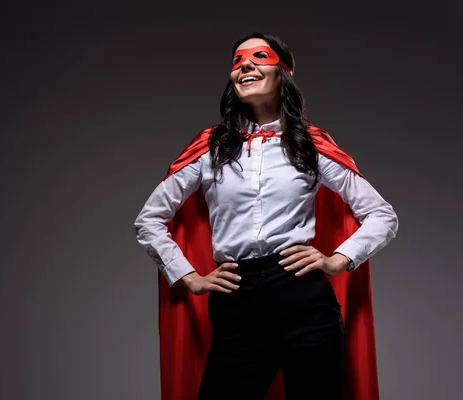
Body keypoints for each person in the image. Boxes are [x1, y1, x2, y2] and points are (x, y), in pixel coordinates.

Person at [133, 32, 398, 400]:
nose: (245, 65)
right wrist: (187, 276)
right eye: (237, 60)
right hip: (237, 299)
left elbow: (382, 215)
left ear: (283, 73)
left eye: (259, 56)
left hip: (303, 298)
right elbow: (149, 220)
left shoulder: (310, 145)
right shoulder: (210, 148)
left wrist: (339, 259)